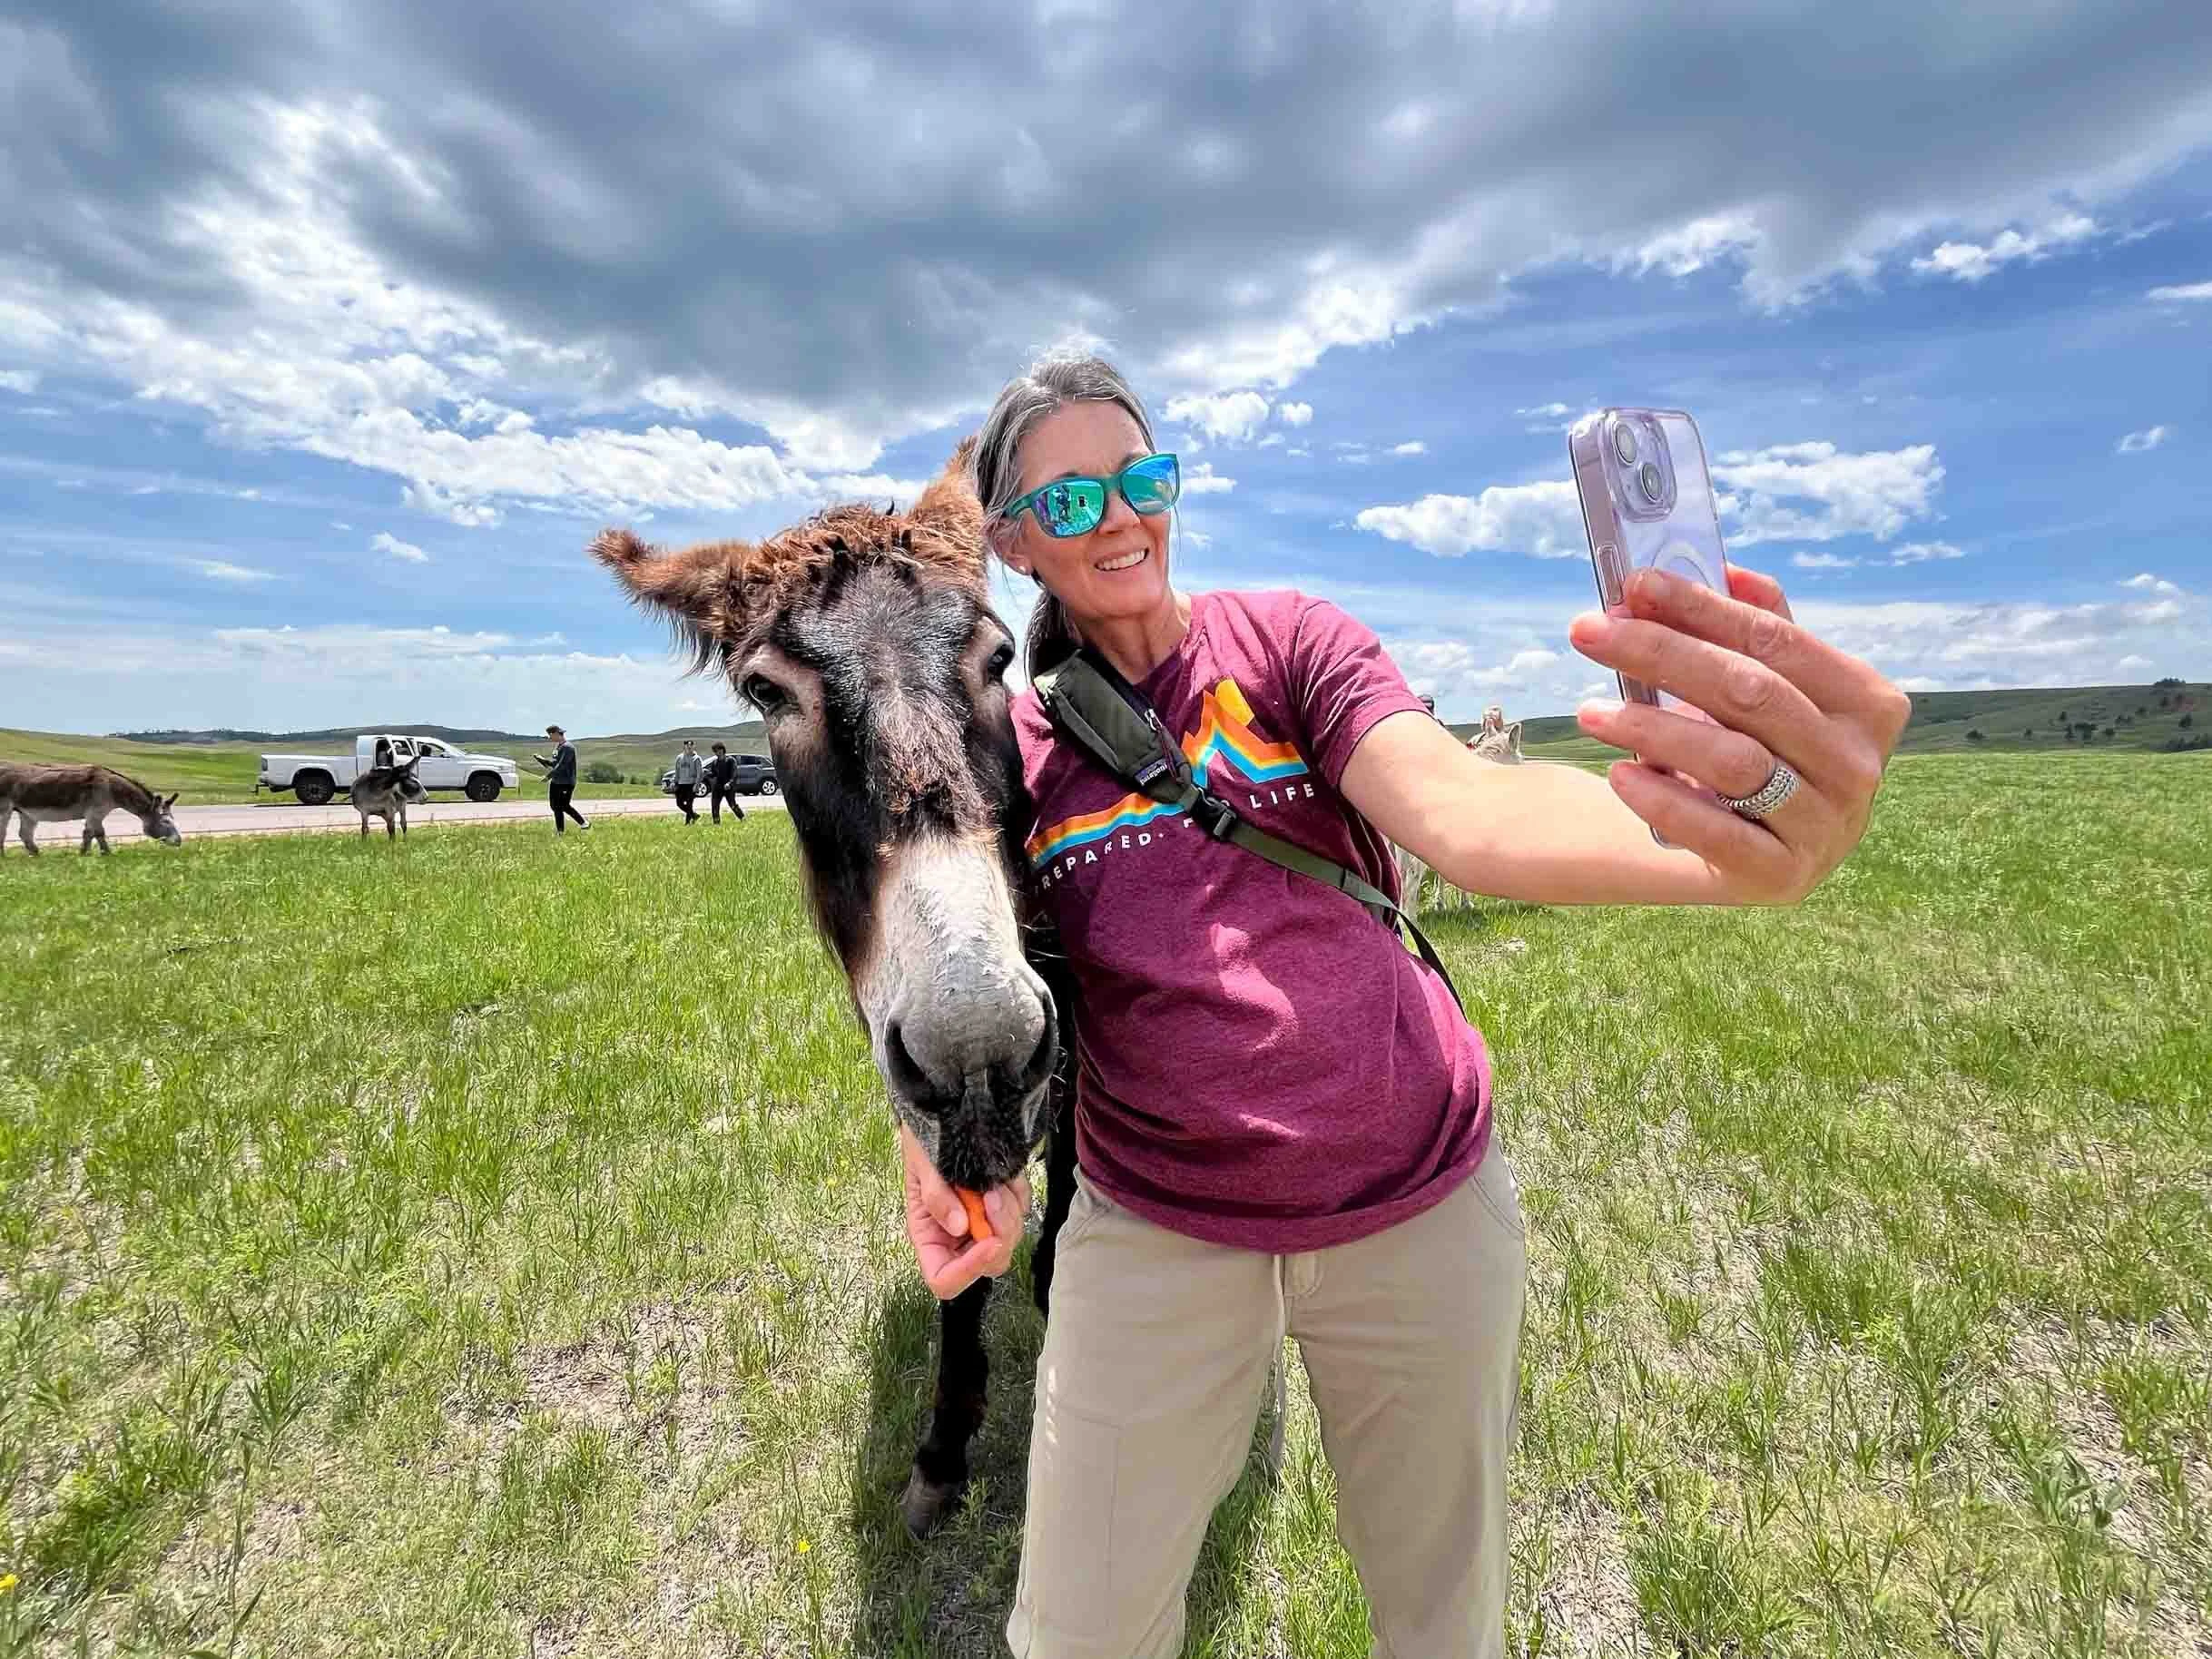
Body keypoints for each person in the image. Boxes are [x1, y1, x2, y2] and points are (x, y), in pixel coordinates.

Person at [896, 353, 1910, 1659]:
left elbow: (1466, 812)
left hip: (1417, 1201)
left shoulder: (1287, 640)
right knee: (1079, 1631)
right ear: (1016, 543)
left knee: (1441, 1620)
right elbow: (965, 963)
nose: (1127, 516)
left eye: (1143, 478)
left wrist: (1718, 847)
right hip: (1158, 1230)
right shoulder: (1015, 750)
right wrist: (938, 1151)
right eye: (1076, 499)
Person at [533, 725, 587, 834]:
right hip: (556, 782)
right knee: (555, 806)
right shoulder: (559, 747)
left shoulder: (568, 747)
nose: (550, 738)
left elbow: (561, 766)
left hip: (566, 782)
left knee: (563, 806)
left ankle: (580, 824)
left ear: (556, 734)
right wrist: (543, 760)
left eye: (550, 735)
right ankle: (566, 829)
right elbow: (555, 764)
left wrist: (548, 777)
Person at [704, 741, 744, 824]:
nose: (716, 753)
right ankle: (716, 823)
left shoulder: (730, 760)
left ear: (722, 750)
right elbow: (713, 774)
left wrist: (730, 783)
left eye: (717, 750)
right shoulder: (715, 763)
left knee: (732, 804)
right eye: (714, 751)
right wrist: (706, 773)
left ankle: (742, 818)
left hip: (729, 787)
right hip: (718, 787)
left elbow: (734, 773)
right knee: (714, 805)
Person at [670, 739, 704, 824]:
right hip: (681, 784)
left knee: (689, 804)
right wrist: (674, 782)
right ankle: (694, 815)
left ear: (693, 746)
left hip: (691, 784)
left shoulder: (696, 758)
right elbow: (677, 771)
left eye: (691, 746)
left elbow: (700, 773)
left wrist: (696, 785)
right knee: (679, 803)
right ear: (684, 746)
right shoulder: (679, 758)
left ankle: (687, 822)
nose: (689, 747)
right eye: (687, 746)